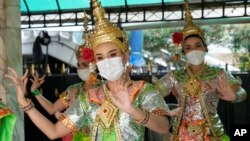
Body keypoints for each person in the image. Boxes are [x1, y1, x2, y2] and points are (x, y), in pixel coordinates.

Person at [4, 0, 170, 141]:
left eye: (112, 54)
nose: (107, 61)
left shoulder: (143, 90)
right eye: (100, 57)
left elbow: (164, 127)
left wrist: (131, 110)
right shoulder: (89, 98)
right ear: (95, 62)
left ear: (125, 57)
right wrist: (24, 102)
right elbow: (53, 132)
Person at [155, 0, 247, 140]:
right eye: (188, 48)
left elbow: (242, 92)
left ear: (205, 48)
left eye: (198, 45)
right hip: (181, 134)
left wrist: (234, 96)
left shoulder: (217, 73)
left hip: (212, 133)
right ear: (184, 53)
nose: (194, 50)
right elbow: (150, 94)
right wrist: (163, 110)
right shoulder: (175, 76)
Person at [29, 13, 97, 141]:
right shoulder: (74, 89)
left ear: (94, 64)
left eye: (84, 64)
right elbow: (52, 109)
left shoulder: (105, 89)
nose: (81, 68)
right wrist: (35, 92)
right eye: (78, 65)